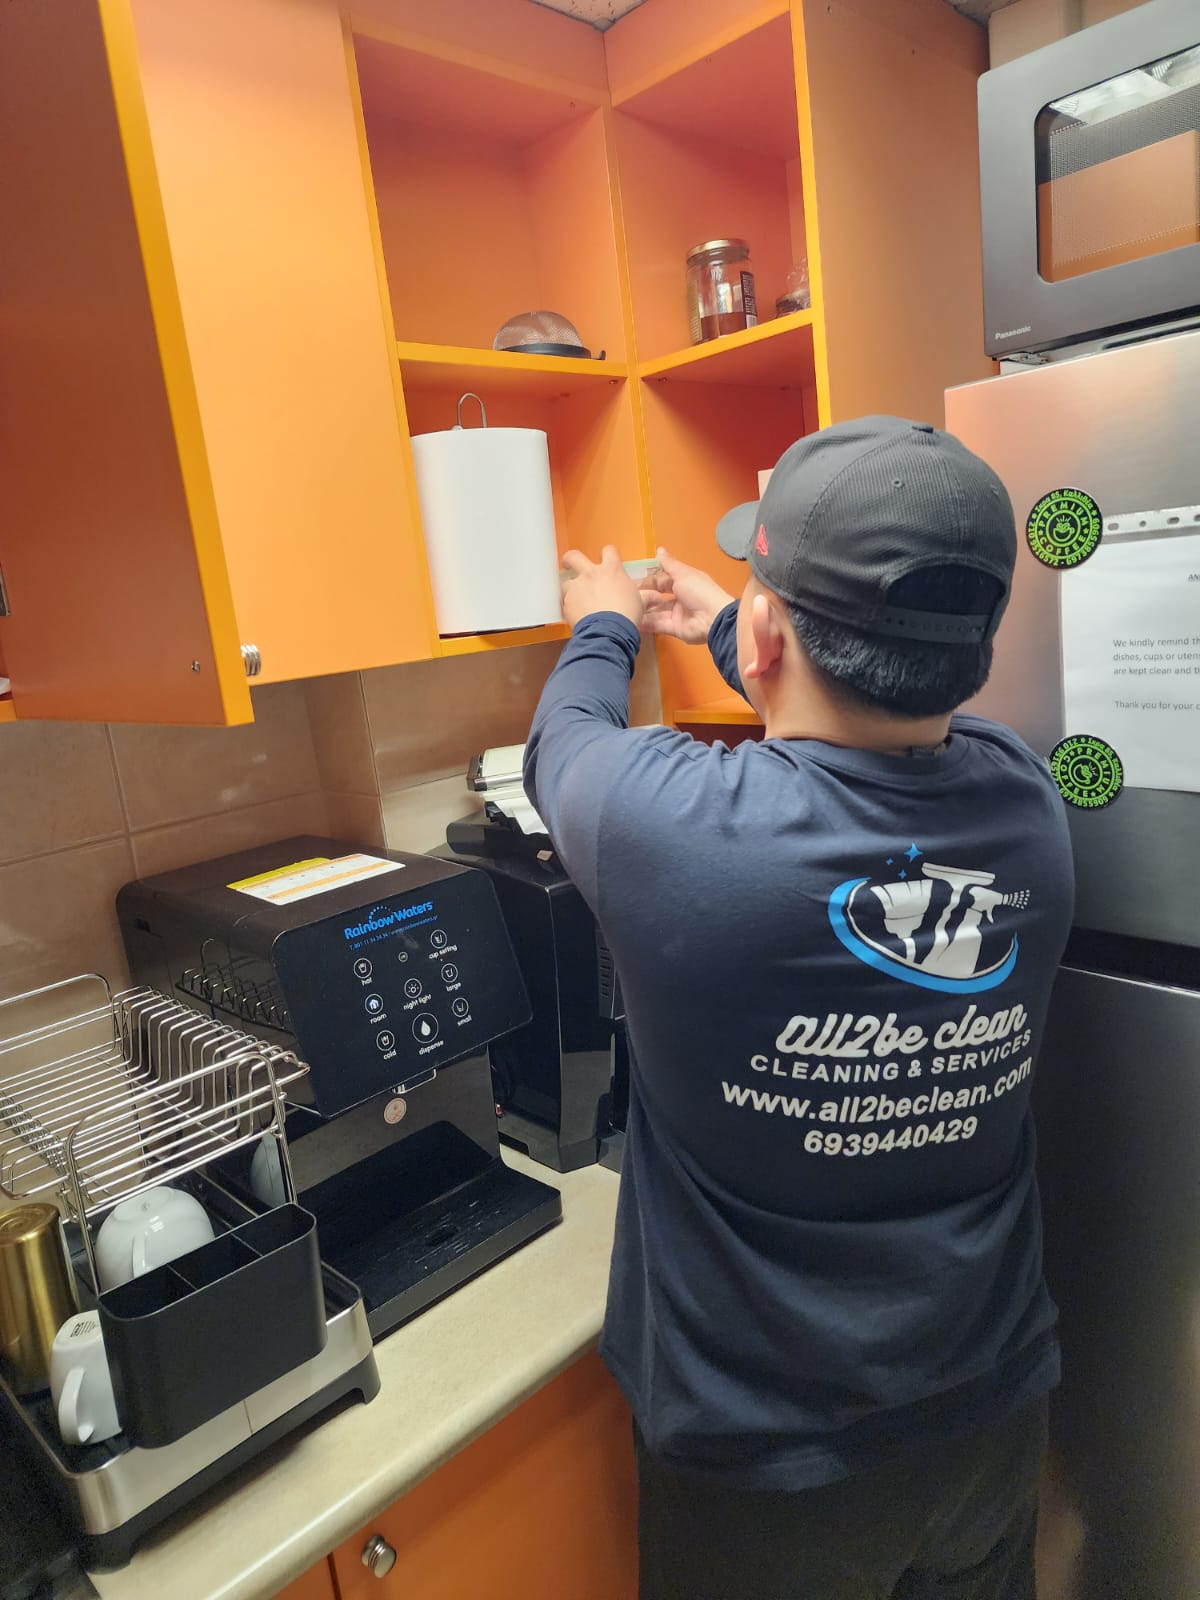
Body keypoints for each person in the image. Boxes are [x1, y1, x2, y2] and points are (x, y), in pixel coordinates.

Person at [522, 415, 1073, 1600]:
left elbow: (563, 738)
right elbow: (872, 706)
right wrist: (735, 623)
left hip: (767, 1458)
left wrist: (608, 619)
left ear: (771, 633)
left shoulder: (673, 829)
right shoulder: (1025, 799)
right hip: (985, 1410)